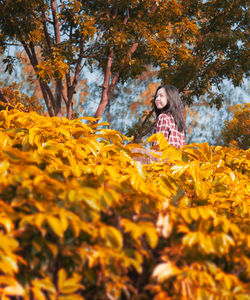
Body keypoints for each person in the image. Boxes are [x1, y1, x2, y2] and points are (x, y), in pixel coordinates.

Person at [152, 85, 186, 149]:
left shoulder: (163, 117)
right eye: (156, 96)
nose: (157, 99)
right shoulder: (178, 122)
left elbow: (159, 145)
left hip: (164, 157)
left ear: (170, 98)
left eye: (161, 96)